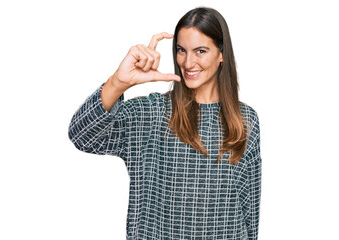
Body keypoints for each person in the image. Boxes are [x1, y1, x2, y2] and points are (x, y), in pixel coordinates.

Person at [69, 7, 261, 240]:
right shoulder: (153, 113)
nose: (188, 62)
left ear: (222, 54)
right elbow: (81, 135)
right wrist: (119, 82)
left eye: (200, 51)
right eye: (181, 50)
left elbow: (249, 208)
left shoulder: (245, 119)